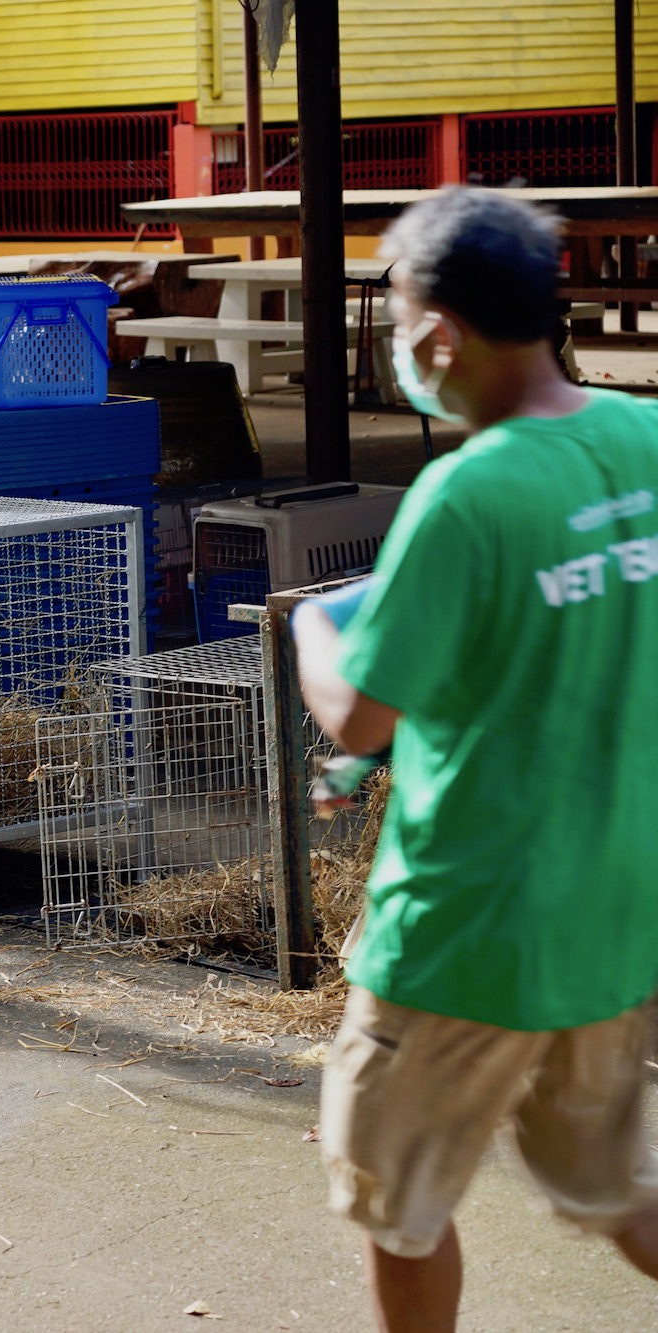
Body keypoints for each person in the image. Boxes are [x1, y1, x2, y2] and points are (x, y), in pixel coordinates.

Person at [290, 187, 658, 1333]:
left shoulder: (464, 491)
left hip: (465, 927)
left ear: (440, 334)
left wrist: (308, 633)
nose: (400, 343)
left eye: (401, 317)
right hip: (614, 911)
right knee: (613, 1186)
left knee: (393, 1201)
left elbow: (361, 721)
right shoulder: (640, 438)